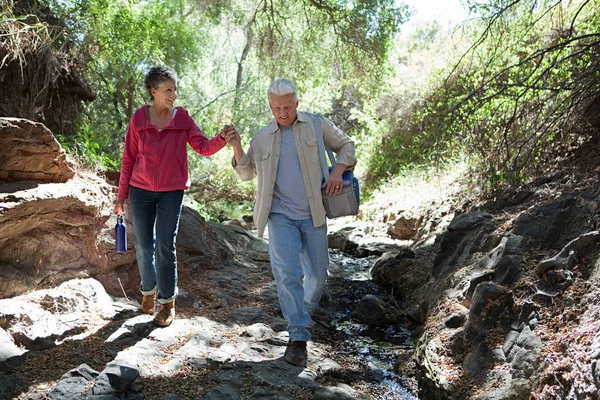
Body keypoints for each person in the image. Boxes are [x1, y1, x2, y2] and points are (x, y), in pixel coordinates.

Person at [226, 78, 356, 367]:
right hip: (280, 215)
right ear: (270, 106)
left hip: (314, 213)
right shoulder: (261, 137)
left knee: (319, 276)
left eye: (287, 107)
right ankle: (298, 336)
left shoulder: (316, 124)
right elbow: (247, 173)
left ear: (297, 103)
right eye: (276, 108)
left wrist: (337, 170)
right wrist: (235, 145)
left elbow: (346, 145)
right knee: (287, 273)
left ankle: (301, 313)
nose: (282, 113)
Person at [114, 66, 235, 327]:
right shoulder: (138, 119)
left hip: (172, 191)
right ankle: (148, 292)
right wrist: (120, 197)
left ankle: (167, 304)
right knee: (145, 246)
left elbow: (202, 147)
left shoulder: (183, 119)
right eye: (168, 89)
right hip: (141, 190)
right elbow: (128, 160)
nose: (173, 94)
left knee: (165, 245)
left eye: (175, 89)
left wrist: (222, 138)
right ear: (154, 91)